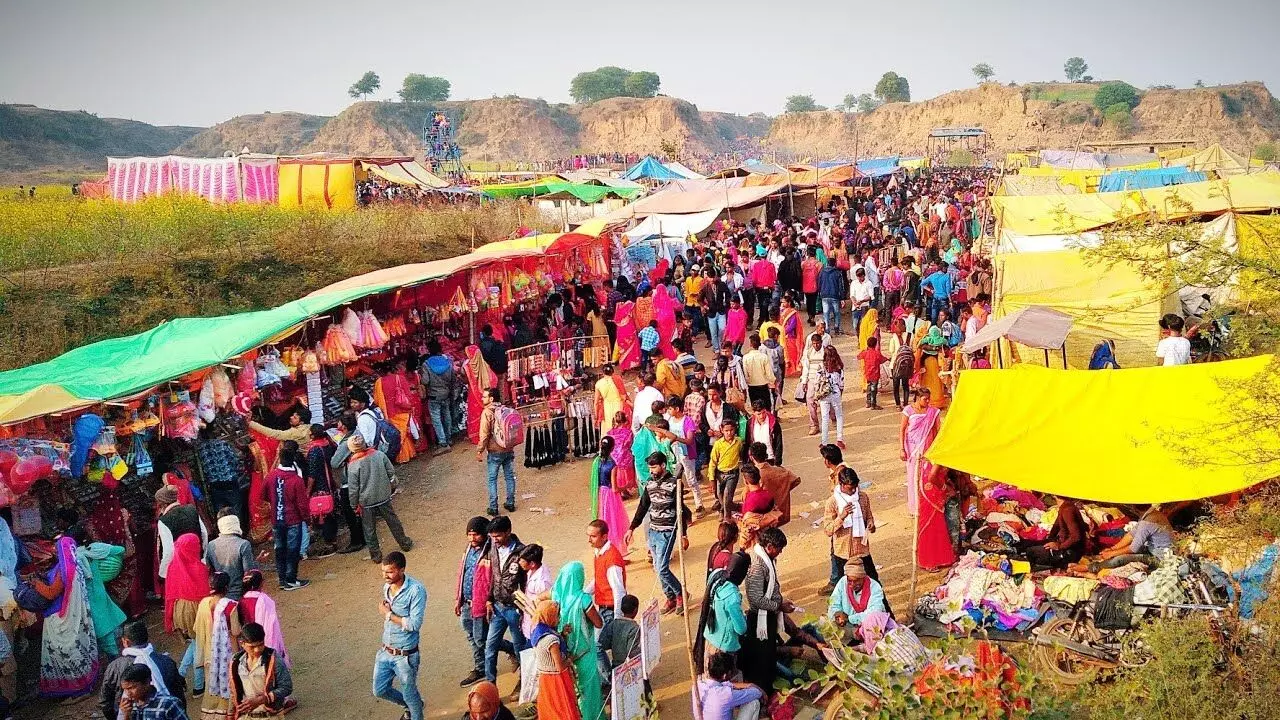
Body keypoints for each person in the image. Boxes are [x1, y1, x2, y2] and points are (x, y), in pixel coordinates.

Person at [627, 453, 692, 615]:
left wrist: (683, 534)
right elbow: (643, 507)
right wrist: (631, 527)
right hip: (653, 530)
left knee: (662, 568)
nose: (651, 471)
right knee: (657, 568)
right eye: (649, 468)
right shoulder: (649, 483)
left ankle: (681, 594)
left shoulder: (674, 483)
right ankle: (670, 597)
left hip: (668, 531)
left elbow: (680, 510)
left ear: (663, 465)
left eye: (654, 467)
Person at [741, 528, 795, 696]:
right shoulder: (758, 565)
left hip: (767, 616)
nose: (780, 552)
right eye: (779, 549)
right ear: (770, 546)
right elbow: (756, 599)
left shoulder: (767, 560)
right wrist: (778, 606)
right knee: (762, 659)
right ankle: (762, 692)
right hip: (759, 620)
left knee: (768, 655)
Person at [346, 434, 414, 564]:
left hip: (366, 501)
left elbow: (353, 489)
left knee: (369, 528)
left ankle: (376, 555)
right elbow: (391, 472)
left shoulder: (353, 465)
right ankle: (405, 543)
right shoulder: (379, 455)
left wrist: (353, 504)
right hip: (383, 496)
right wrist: (392, 488)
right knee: (393, 521)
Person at [374, 551, 425, 720]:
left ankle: (414, 708)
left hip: (405, 656)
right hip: (385, 651)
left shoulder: (416, 590)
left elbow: (414, 624)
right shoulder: (387, 587)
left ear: (401, 570)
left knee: (410, 695)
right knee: (379, 690)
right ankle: (410, 705)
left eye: (389, 572)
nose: (385, 576)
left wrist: (388, 614)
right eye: (383, 571)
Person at [101, 621, 186, 720]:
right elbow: (179, 693)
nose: (128, 694)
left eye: (131, 688)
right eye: (127, 689)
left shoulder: (115, 667)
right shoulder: (166, 661)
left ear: (126, 642)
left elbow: (105, 702)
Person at [552, 562, 603, 720]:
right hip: (585, 650)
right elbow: (598, 623)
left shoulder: (556, 598)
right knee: (590, 689)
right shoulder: (583, 599)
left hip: (566, 652)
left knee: (575, 689)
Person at [483, 516, 526, 684]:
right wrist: (488, 599)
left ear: (508, 531)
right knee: (490, 647)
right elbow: (493, 576)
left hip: (515, 609)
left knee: (519, 647)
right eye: (493, 537)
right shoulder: (493, 547)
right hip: (498, 607)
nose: (495, 540)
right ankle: (490, 685)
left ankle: (523, 682)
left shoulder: (522, 552)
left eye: (498, 536)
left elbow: (525, 583)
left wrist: (524, 610)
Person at [166, 533, 210, 694]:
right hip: (195, 610)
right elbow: (205, 593)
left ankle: (181, 673)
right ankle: (198, 685)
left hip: (179, 609)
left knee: (195, 642)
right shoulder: (199, 568)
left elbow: (169, 593)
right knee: (200, 644)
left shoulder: (173, 566)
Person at [194, 571, 241, 719]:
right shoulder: (231, 606)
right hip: (228, 652)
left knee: (212, 683)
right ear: (226, 587)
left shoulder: (203, 604)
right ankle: (228, 712)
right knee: (230, 682)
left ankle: (211, 713)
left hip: (210, 652)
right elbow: (236, 630)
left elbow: (196, 628)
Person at [823, 467, 878, 590]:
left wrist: (871, 524)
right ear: (841, 484)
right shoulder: (832, 502)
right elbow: (828, 530)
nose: (853, 491)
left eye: (855, 487)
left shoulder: (863, 497)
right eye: (850, 488)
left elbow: (869, 517)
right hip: (843, 553)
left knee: (874, 583)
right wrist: (841, 517)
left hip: (862, 550)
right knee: (844, 590)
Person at [265, 440, 311, 591]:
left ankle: (282, 579)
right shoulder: (296, 480)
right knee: (292, 550)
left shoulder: (271, 476)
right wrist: (306, 519)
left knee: (280, 550)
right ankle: (291, 579)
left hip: (276, 520)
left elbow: (263, 494)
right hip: (293, 520)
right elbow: (302, 504)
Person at [693, 552, 750, 671]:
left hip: (710, 638)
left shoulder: (716, 578)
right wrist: (745, 618)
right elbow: (741, 629)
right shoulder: (732, 596)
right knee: (725, 683)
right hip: (725, 647)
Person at [230, 622, 297, 717]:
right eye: (252, 647)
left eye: (261, 645)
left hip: (270, 716)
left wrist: (263, 699)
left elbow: (287, 687)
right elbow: (233, 691)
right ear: (242, 644)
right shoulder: (236, 662)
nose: (257, 650)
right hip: (246, 716)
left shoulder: (273, 659)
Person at [529, 601, 581, 720]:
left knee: (550, 710)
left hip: (545, 679)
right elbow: (560, 666)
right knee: (562, 710)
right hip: (557, 681)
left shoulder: (537, 632)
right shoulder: (551, 640)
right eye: (557, 615)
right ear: (550, 616)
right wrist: (571, 659)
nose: (559, 618)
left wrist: (563, 634)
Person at [456, 517, 492, 687]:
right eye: (469, 534)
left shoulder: (490, 552)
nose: (472, 538)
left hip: (480, 604)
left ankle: (513, 649)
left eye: (476, 534)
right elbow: (463, 574)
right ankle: (480, 668)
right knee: (472, 637)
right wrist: (458, 599)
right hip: (466, 603)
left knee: (482, 639)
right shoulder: (468, 549)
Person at [477, 388, 519, 515]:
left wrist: (480, 450)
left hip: (495, 451)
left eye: (484, 397)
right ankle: (510, 503)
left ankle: (493, 507)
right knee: (509, 476)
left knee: (492, 479)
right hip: (508, 448)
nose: (482, 399)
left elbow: (484, 435)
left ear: (491, 399)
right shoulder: (505, 409)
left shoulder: (487, 413)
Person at [329, 413, 367, 554]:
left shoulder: (346, 443)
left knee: (351, 512)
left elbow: (334, 462)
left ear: (344, 427)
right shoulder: (357, 434)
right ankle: (364, 537)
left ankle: (357, 541)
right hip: (361, 476)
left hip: (349, 481)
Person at [900, 388, 941, 517]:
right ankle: (915, 507)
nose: (928, 401)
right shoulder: (908, 411)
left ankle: (927, 504)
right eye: (925, 399)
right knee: (913, 478)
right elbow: (902, 430)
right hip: (912, 450)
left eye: (929, 399)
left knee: (927, 477)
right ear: (918, 398)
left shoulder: (933, 412)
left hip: (928, 451)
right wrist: (901, 448)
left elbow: (937, 431)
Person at [239, 571, 290, 669]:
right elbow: (272, 626)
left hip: (248, 639)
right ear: (261, 583)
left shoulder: (241, 601)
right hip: (262, 639)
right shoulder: (265, 600)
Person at [1021, 496, 1087, 570]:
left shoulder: (1067, 510)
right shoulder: (1065, 506)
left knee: (1031, 551)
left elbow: (1075, 537)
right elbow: (1056, 526)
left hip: (1070, 552)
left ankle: (1058, 566)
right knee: (1026, 544)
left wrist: (1059, 546)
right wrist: (1049, 540)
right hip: (1065, 545)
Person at [697, 652, 764, 720]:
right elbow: (757, 693)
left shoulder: (698, 686)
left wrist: (748, 685)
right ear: (725, 675)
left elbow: (723, 684)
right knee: (754, 702)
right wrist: (757, 689)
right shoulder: (726, 694)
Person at [916, 464, 958, 571]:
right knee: (931, 523)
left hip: (933, 483)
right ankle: (929, 561)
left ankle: (940, 558)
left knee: (937, 522)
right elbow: (932, 476)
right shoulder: (938, 451)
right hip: (932, 488)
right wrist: (945, 488)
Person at [596, 594, 641, 688]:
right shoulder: (634, 628)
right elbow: (632, 652)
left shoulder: (613, 624)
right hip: (629, 668)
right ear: (635, 610)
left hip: (616, 667)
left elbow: (603, 643)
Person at [586, 520, 627, 622]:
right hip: (604, 606)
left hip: (610, 608)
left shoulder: (612, 559)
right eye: (589, 536)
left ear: (604, 537)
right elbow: (599, 579)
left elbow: (618, 590)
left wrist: (618, 617)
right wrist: (584, 594)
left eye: (593, 536)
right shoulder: (599, 552)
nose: (589, 540)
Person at [115, 664, 190, 720]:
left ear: (147, 682)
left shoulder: (168, 704)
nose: (128, 693)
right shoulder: (129, 707)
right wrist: (126, 715)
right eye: (125, 689)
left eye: (131, 688)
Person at [422, 339, 459, 453]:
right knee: (447, 415)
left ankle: (443, 443)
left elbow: (425, 381)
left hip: (433, 395)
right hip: (446, 394)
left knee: (436, 419)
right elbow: (453, 378)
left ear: (429, 350)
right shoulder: (447, 362)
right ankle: (448, 439)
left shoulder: (426, 364)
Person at [751, 443, 800, 527]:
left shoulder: (753, 476)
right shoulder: (780, 471)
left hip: (763, 517)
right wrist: (782, 491)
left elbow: (746, 497)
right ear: (766, 456)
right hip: (779, 513)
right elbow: (796, 480)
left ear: (751, 457)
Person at [709, 422, 744, 521]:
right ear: (722, 430)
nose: (729, 433)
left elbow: (741, 454)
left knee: (727, 495)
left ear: (735, 430)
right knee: (720, 495)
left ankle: (727, 518)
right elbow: (713, 462)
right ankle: (727, 508)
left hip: (733, 474)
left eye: (731, 430)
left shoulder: (738, 442)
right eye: (726, 431)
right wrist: (712, 479)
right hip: (720, 474)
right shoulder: (718, 444)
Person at [518, 544, 554, 639]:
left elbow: (545, 604)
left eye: (522, 561)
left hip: (536, 624)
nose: (519, 562)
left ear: (532, 564)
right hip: (528, 622)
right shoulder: (532, 570)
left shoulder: (542, 582)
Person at [815, 345, 845, 447]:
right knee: (839, 415)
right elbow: (841, 383)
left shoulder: (821, 366)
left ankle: (824, 442)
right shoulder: (839, 366)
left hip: (824, 394)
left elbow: (817, 381)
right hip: (835, 392)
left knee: (824, 417)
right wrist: (840, 393)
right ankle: (839, 439)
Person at [799, 332, 828, 436]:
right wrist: (804, 381)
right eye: (814, 343)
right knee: (811, 403)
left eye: (818, 343)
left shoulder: (826, 352)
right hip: (811, 380)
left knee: (825, 402)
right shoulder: (808, 353)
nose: (816, 345)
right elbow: (806, 368)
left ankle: (830, 421)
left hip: (823, 381)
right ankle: (814, 425)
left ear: (821, 342)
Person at [741, 336, 776, 411]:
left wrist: (748, 382)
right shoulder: (764, 357)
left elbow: (745, 374)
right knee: (766, 407)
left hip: (752, 386)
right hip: (763, 386)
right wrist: (772, 381)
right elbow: (769, 373)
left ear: (750, 344)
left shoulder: (745, 357)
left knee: (756, 408)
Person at [744, 399, 783, 465]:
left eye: (763, 412)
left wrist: (778, 461)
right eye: (759, 414)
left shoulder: (773, 423)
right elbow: (748, 442)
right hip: (756, 460)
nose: (762, 416)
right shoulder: (750, 424)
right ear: (753, 413)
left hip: (771, 459)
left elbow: (778, 442)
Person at [593, 364, 630, 434]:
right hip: (619, 406)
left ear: (603, 373)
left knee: (608, 428)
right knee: (619, 427)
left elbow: (596, 403)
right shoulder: (618, 379)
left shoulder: (598, 384)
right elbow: (624, 396)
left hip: (607, 408)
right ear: (612, 372)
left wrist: (596, 417)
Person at [857, 336, 888, 410]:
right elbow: (882, 360)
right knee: (874, 389)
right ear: (875, 344)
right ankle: (873, 404)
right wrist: (887, 359)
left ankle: (868, 402)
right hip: (875, 374)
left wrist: (863, 350)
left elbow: (858, 357)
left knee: (869, 387)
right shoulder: (877, 353)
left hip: (867, 373)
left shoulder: (865, 353)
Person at [818, 257, 847, 335]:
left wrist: (820, 292)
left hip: (824, 295)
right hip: (835, 295)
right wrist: (842, 298)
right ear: (834, 264)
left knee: (826, 313)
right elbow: (841, 286)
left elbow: (819, 283)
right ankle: (836, 327)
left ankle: (827, 329)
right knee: (836, 312)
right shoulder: (838, 273)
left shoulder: (822, 272)